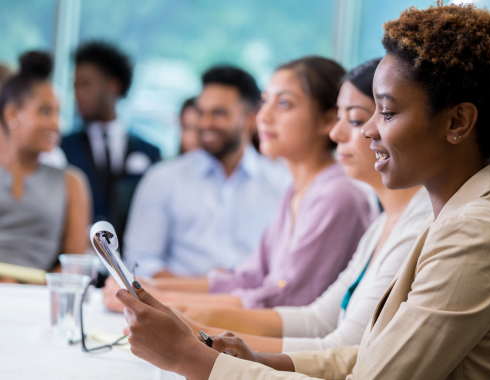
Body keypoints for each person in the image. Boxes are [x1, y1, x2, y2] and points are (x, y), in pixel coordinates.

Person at [114, 2, 490, 379]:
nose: (368, 130)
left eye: (386, 113)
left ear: (457, 123)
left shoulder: (475, 235)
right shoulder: (453, 215)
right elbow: (368, 357)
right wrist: (253, 359)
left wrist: (192, 359)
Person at [167, 58, 433, 353]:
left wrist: (195, 330)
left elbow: (304, 313)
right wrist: (182, 314)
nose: (262, 117)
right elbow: (314, 316)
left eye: (356, 120)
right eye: (265, 102)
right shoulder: (380, 224)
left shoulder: (345, 197)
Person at [106, 57, 377, 311]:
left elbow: (283, 298)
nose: (263, 117)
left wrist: (157, 300)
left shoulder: (337, 195)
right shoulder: (297, 191)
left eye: (283, 104)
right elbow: (249, 277)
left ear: (328, 120)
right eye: (264, 102)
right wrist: (149, 289)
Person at [119, 65, 289, 280]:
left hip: (254, 309)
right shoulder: (163, 179)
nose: (205, 123)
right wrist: (201, 290)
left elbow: (285, 267)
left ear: (250, 119)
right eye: (201, 112)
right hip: (174, 308)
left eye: (218, 113)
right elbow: (141, 262)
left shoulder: (281, 183)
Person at [0, 51, 91, 279]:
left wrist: (30, 288)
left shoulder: (72, 182)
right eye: (45, 111)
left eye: (58, 113)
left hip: (37, 296)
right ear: (12, 114)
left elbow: (74, 265)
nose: (56, 124)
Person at [60, 41, 161, 243]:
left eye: (85, 84)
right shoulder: (63, 147)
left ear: (113, 86)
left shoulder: (150, 152)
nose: (78, 94)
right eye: (75, 86)